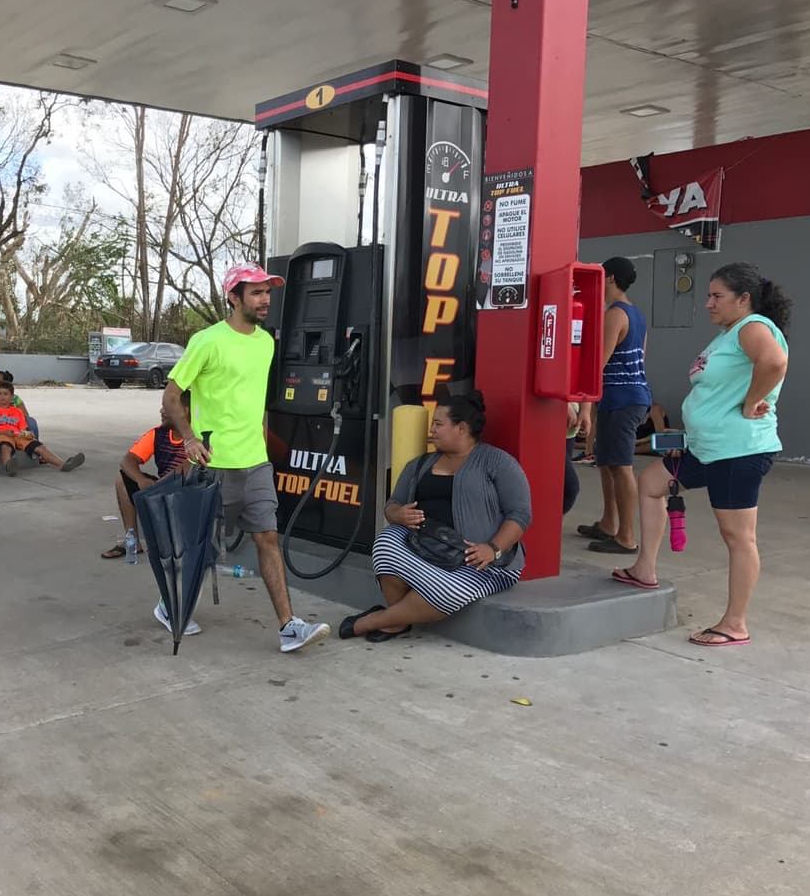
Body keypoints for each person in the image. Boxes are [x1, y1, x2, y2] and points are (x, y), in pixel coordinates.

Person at [613, 262, 790, 648]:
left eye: (717, 296)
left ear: (743, 300)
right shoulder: (728, 334)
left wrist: (753, 401)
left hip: (737, 451)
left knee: (738, 536)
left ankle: (735, 623)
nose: (708, 303)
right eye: (709, 295)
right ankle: (644, 569)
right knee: (651, 483)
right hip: (706, 448)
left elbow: (774, 362)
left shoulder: (752, 328)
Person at [162, 262, 330, 653]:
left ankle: (289, 627)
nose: (265, 299)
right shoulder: (207, 340)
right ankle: (169, 605)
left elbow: (252, 401)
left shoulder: (266, 343)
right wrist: (188, 439)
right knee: (200, 546)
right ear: (234, 297)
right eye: (256, 292)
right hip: (214, 465)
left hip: (255, 462)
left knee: (268, 537)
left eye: (268, 291)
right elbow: (171, 395)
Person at [340, 393, 530, 640]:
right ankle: (399, 621)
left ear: (461, 428)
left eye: (439, 424)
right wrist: (399, 514)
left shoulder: (497, 462)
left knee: (448, 591)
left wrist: (492, 549)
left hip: (479, 562)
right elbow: (392, 504)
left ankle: (374, 621)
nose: (431, 430)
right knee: (386, 542)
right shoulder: (419, 465)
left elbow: (520, 514)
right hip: (426, 548)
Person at [578, 257, 651, 555]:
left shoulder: (615, 315)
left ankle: (627, 537)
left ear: (608, 279)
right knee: (607, 464)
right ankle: (609, 524)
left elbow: (597, 365)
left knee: (621, 467)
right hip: (622, 397)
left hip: (623, 400)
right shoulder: (637, 314)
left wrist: (583, 407)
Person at [101, 390, 191, 560]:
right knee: (123, 478)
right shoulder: (157, 434)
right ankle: (132, 541)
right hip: (162, 490)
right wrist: (141, 480)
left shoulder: (197, 437)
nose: (161, 411)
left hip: (188, 495)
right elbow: (127, 460)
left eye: (166, 407)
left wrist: (160, 485)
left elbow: (189, 466)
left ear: (184, 411)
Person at [0, 381, 84, 475]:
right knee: (5, 448)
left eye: (5, 394)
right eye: (0, 394)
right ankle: (9, 466)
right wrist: (4, 432)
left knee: (40, 447)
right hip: (2, 435)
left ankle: (63, 464)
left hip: (18, 435)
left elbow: (23, 428)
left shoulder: (17, 411)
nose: (2, 397)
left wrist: (28, 434)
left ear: (12, 397)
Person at [563, 400, 585, 514]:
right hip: (547, 421)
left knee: (561, 490)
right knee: (570, 488)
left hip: (569, 432)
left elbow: (585, 382)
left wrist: (586, 410)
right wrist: (562, 403)